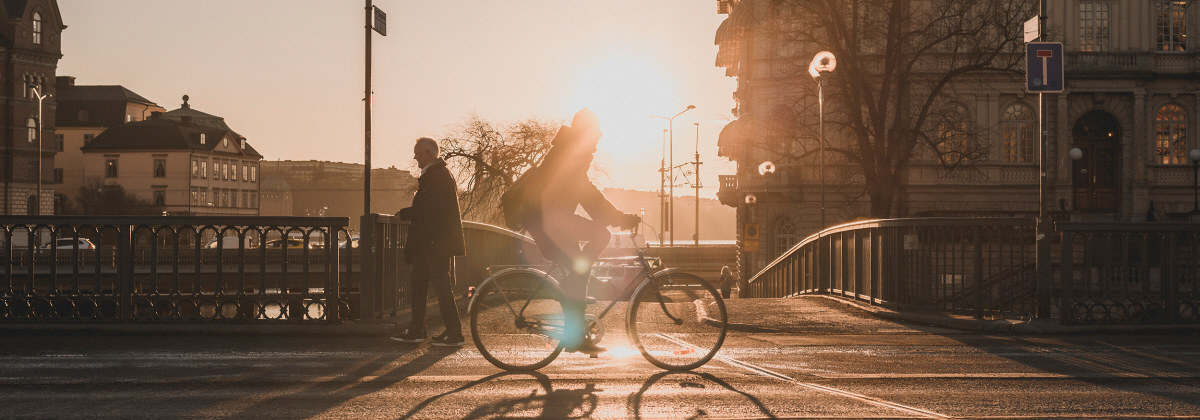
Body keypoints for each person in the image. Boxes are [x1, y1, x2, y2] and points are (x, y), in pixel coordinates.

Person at [523, 109, 640, 355]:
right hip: (552, 225)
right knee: (599, 240)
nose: (600, 135)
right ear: (585, 132)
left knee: (578, 274)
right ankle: (575, 335)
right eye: (596, 131)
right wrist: (620, 218)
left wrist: (615, 217)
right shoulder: (570, 155)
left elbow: (587, 196)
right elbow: (589, 198)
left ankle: (575, 330)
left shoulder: (567, 151)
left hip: (553, 224)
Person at [390, 137, 467, 347]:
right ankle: (418, 330)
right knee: (420, 284)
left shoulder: (436, 176)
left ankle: (453, 334)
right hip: (432, 243)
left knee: (439, 287)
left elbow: (430, 209)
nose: (415, 156)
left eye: (417, 153)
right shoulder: (439, 174)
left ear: (428, 153)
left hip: (434, 243)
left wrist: (405, 213)